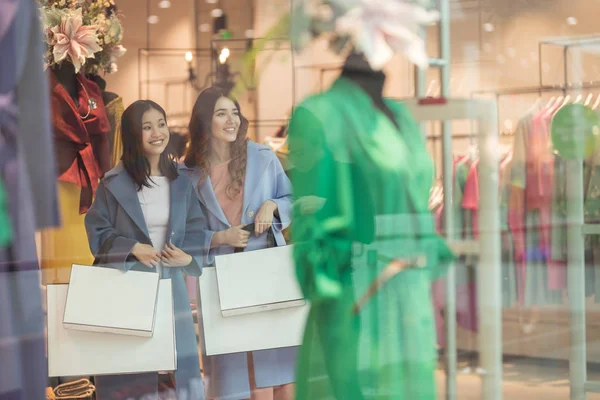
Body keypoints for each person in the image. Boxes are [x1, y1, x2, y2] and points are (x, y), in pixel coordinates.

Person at [85, 100, 206, 400]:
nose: (157, 133)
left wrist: (188, 257)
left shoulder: (182, 181)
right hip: (129, 288)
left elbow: (197, 229)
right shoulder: (112, 183)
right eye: (147, 127)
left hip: (172, 288)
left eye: (161, 124)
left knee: (178, 374)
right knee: (133, 373)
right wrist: (132, 248)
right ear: (132, 135)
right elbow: (97, 231)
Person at [184, 87, 295, 400]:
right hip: (221, 278)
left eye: (234, 112)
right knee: (230, 369)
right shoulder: (188, 173)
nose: (231, 120)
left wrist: (272, 205)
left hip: (265, 273)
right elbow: (182, 233)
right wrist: (220, 237)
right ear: (206, 121)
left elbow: (292, 200)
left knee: (273, 365)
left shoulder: (262, 156)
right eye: (221, 113)